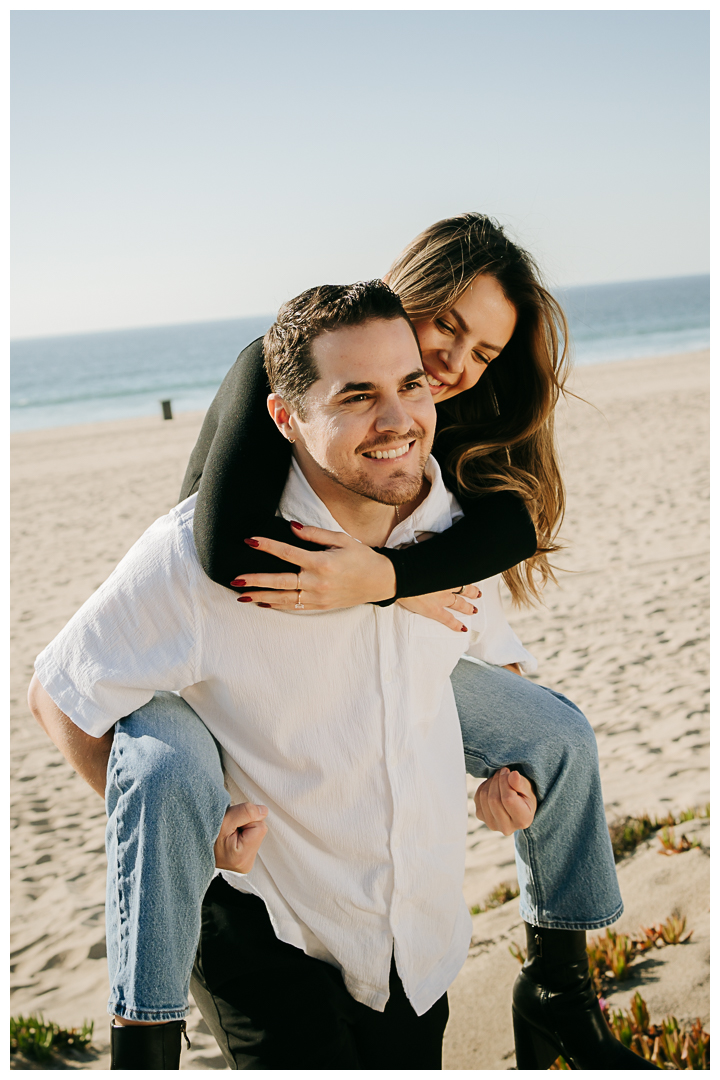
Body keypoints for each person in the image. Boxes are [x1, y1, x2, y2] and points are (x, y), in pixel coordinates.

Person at [176, 215, 654, 1068]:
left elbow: (512, 523)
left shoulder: (449, 411)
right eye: (450, 327)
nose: (457, 364)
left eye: (483, 353)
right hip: (255, 666)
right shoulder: (289, 364)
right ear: (415, 289)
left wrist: (388, 581)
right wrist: (386, 585)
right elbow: (215, 547)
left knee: (555, 737)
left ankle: (557, 986)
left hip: (394, 666)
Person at [29, 282, 542, 1070]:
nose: (399, 420)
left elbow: (492, 663)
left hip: (418, 941)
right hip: (269, 930)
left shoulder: (449, 529)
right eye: (357, 396)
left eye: (411, 386)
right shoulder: (199, 564)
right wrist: (190, 825)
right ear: (285, 418)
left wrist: (493, 789)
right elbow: (60, 693)